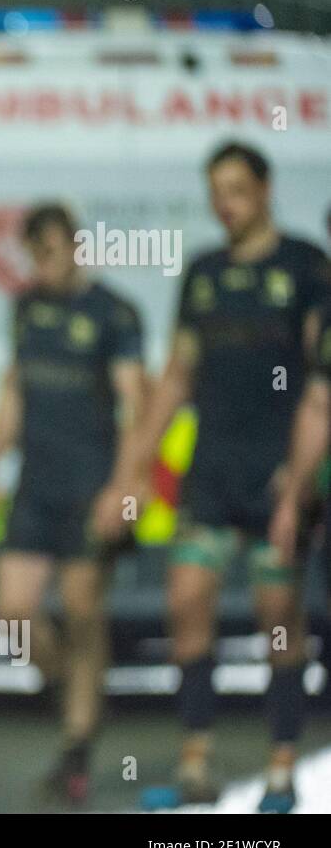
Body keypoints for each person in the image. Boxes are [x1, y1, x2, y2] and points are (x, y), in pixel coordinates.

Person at [97, 142, 331, 813]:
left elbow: (321, 383)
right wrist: (132, 469)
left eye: (235, 189)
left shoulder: (306, 267)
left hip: (279, 476)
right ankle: (196, 762)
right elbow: (175, 377)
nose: (222, 203)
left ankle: (282, 771)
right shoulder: (201, 273)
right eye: (215, 190)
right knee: (186, 601)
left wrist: (299, 480)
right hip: (213, 472)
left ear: (264, 189)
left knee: (277, 618)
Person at [0, 203, 145, 806]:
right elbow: (14, 386)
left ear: (76, 247)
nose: (43, 266)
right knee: (13, 615)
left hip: (90, 488)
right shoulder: (26, 307)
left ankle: (77, 745)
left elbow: (135, 404)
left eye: (52, 252)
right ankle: (72, 692)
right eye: (35, 255)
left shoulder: (114, 313)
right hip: (35, 485)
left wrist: (124, 487)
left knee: (81, 611)